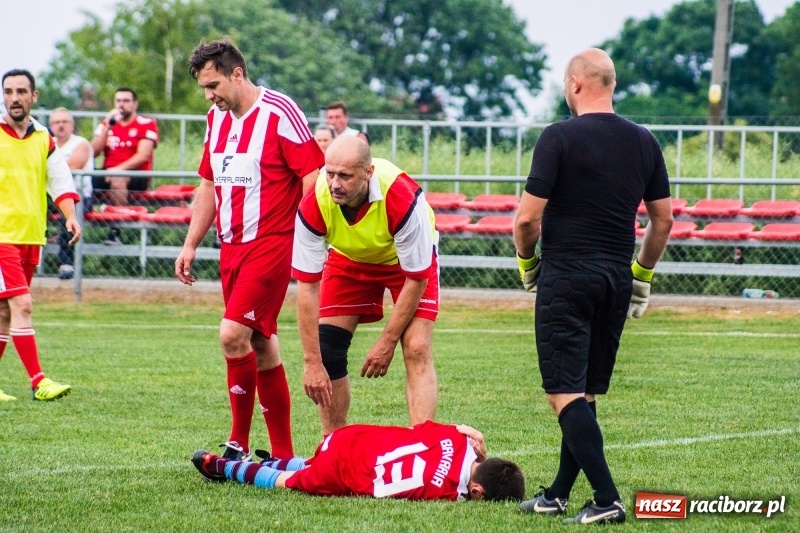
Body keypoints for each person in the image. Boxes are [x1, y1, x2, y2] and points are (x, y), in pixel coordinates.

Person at [512, 49, 673, 525]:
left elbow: (525, 219)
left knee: (563, 393)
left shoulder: (558, 137)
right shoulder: (644, 141)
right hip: (615, 279)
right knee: (584, 394)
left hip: (567, 276)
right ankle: (557, 494)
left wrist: (528, 265)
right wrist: (640, 277)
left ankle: (607, 499)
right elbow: (662, 222)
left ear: (576, 84)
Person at [176, 38, 324, 461]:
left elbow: (312, 175)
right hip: (231, 248)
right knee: (261, 342)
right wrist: (191, 244)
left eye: (214, 84)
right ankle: (282, 452)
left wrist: (310, 237)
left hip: (272, 244)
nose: (210, 95)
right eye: (204, 88)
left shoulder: (280, 111)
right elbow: (208, 183)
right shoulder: (215, 119)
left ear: (237, 73)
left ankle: (237, 443)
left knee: (231, 334)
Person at [292, 136, 439, 436]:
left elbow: (417, 277)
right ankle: (333, 446)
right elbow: (307, 287)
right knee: (328, 349)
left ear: (368, 173)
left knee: (416, 347)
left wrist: (386, 342)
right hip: (348, 259)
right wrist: (312, 361)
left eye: (345, 176)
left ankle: (426, 447)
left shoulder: (400, 196)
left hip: (405, 264)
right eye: (330, 173)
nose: (334, 183)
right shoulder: (314, 201)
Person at [192, 420, 525, 502]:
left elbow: (427, 428)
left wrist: (467, 433)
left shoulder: (457, 439)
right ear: (477, 490)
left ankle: (281, 460)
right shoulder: (448, 493)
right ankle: (221, 467)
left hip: (349, 436)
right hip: (342, 472)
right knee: (287, 484)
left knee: (309, 464)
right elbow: (454, 487)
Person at [0, 69, 81, 402]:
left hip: (32, 236)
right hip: (2, 237)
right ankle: (39, 381)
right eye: (8, 92)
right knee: (23, 305)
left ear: (34, 96)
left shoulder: (43, 137)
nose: (14, 98)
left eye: (21, 91)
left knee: (5, 313)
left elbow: (60, 181)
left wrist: (71, 218)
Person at [90, 86, 159, 244]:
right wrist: (108, 126)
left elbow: (143, 155)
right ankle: (67, 230)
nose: (121, 104)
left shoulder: (146, 124)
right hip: (107, 173)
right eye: (118, 100)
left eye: (126, 101)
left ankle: (115, 232)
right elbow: (93, 152)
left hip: (136, 175)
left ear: (135, 104)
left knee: (118, 178)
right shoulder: (107, 123)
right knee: (78, 179)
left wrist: (116, 170)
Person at [49, 107, 93, 280]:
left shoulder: (81, 143)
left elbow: (72, 167)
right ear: (51, 125)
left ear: (72, 125)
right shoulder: (46, 142)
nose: (61, 125)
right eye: (56, 122)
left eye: (65, 122)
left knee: (66, 211)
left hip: (79, 196)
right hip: (49, 193)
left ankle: (66, 263)